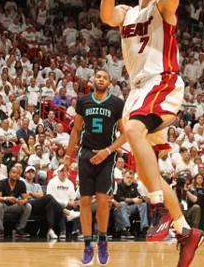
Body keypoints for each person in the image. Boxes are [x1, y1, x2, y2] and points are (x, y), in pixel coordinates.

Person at [99, 0, 204, 266]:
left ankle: (159, 209)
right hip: (138, 91)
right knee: (149, 174)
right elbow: (106, 14)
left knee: (132, 129)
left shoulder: (163, 7)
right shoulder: (128, 12)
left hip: (161, 82)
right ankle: (185, 229)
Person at [65, 69, 127, 265]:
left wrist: (108, 152)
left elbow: (125, 135)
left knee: (102, 201)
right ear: (93, 80)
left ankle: (102, 240)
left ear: (110, 83)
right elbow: (76, 130)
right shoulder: (83, 101)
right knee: (84, 201)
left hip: (106, 157)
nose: (100, 79)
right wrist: (68, 155)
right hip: (85, 155)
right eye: (98, 76)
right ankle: (87, 246)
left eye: (104, 77)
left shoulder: (117, 104)